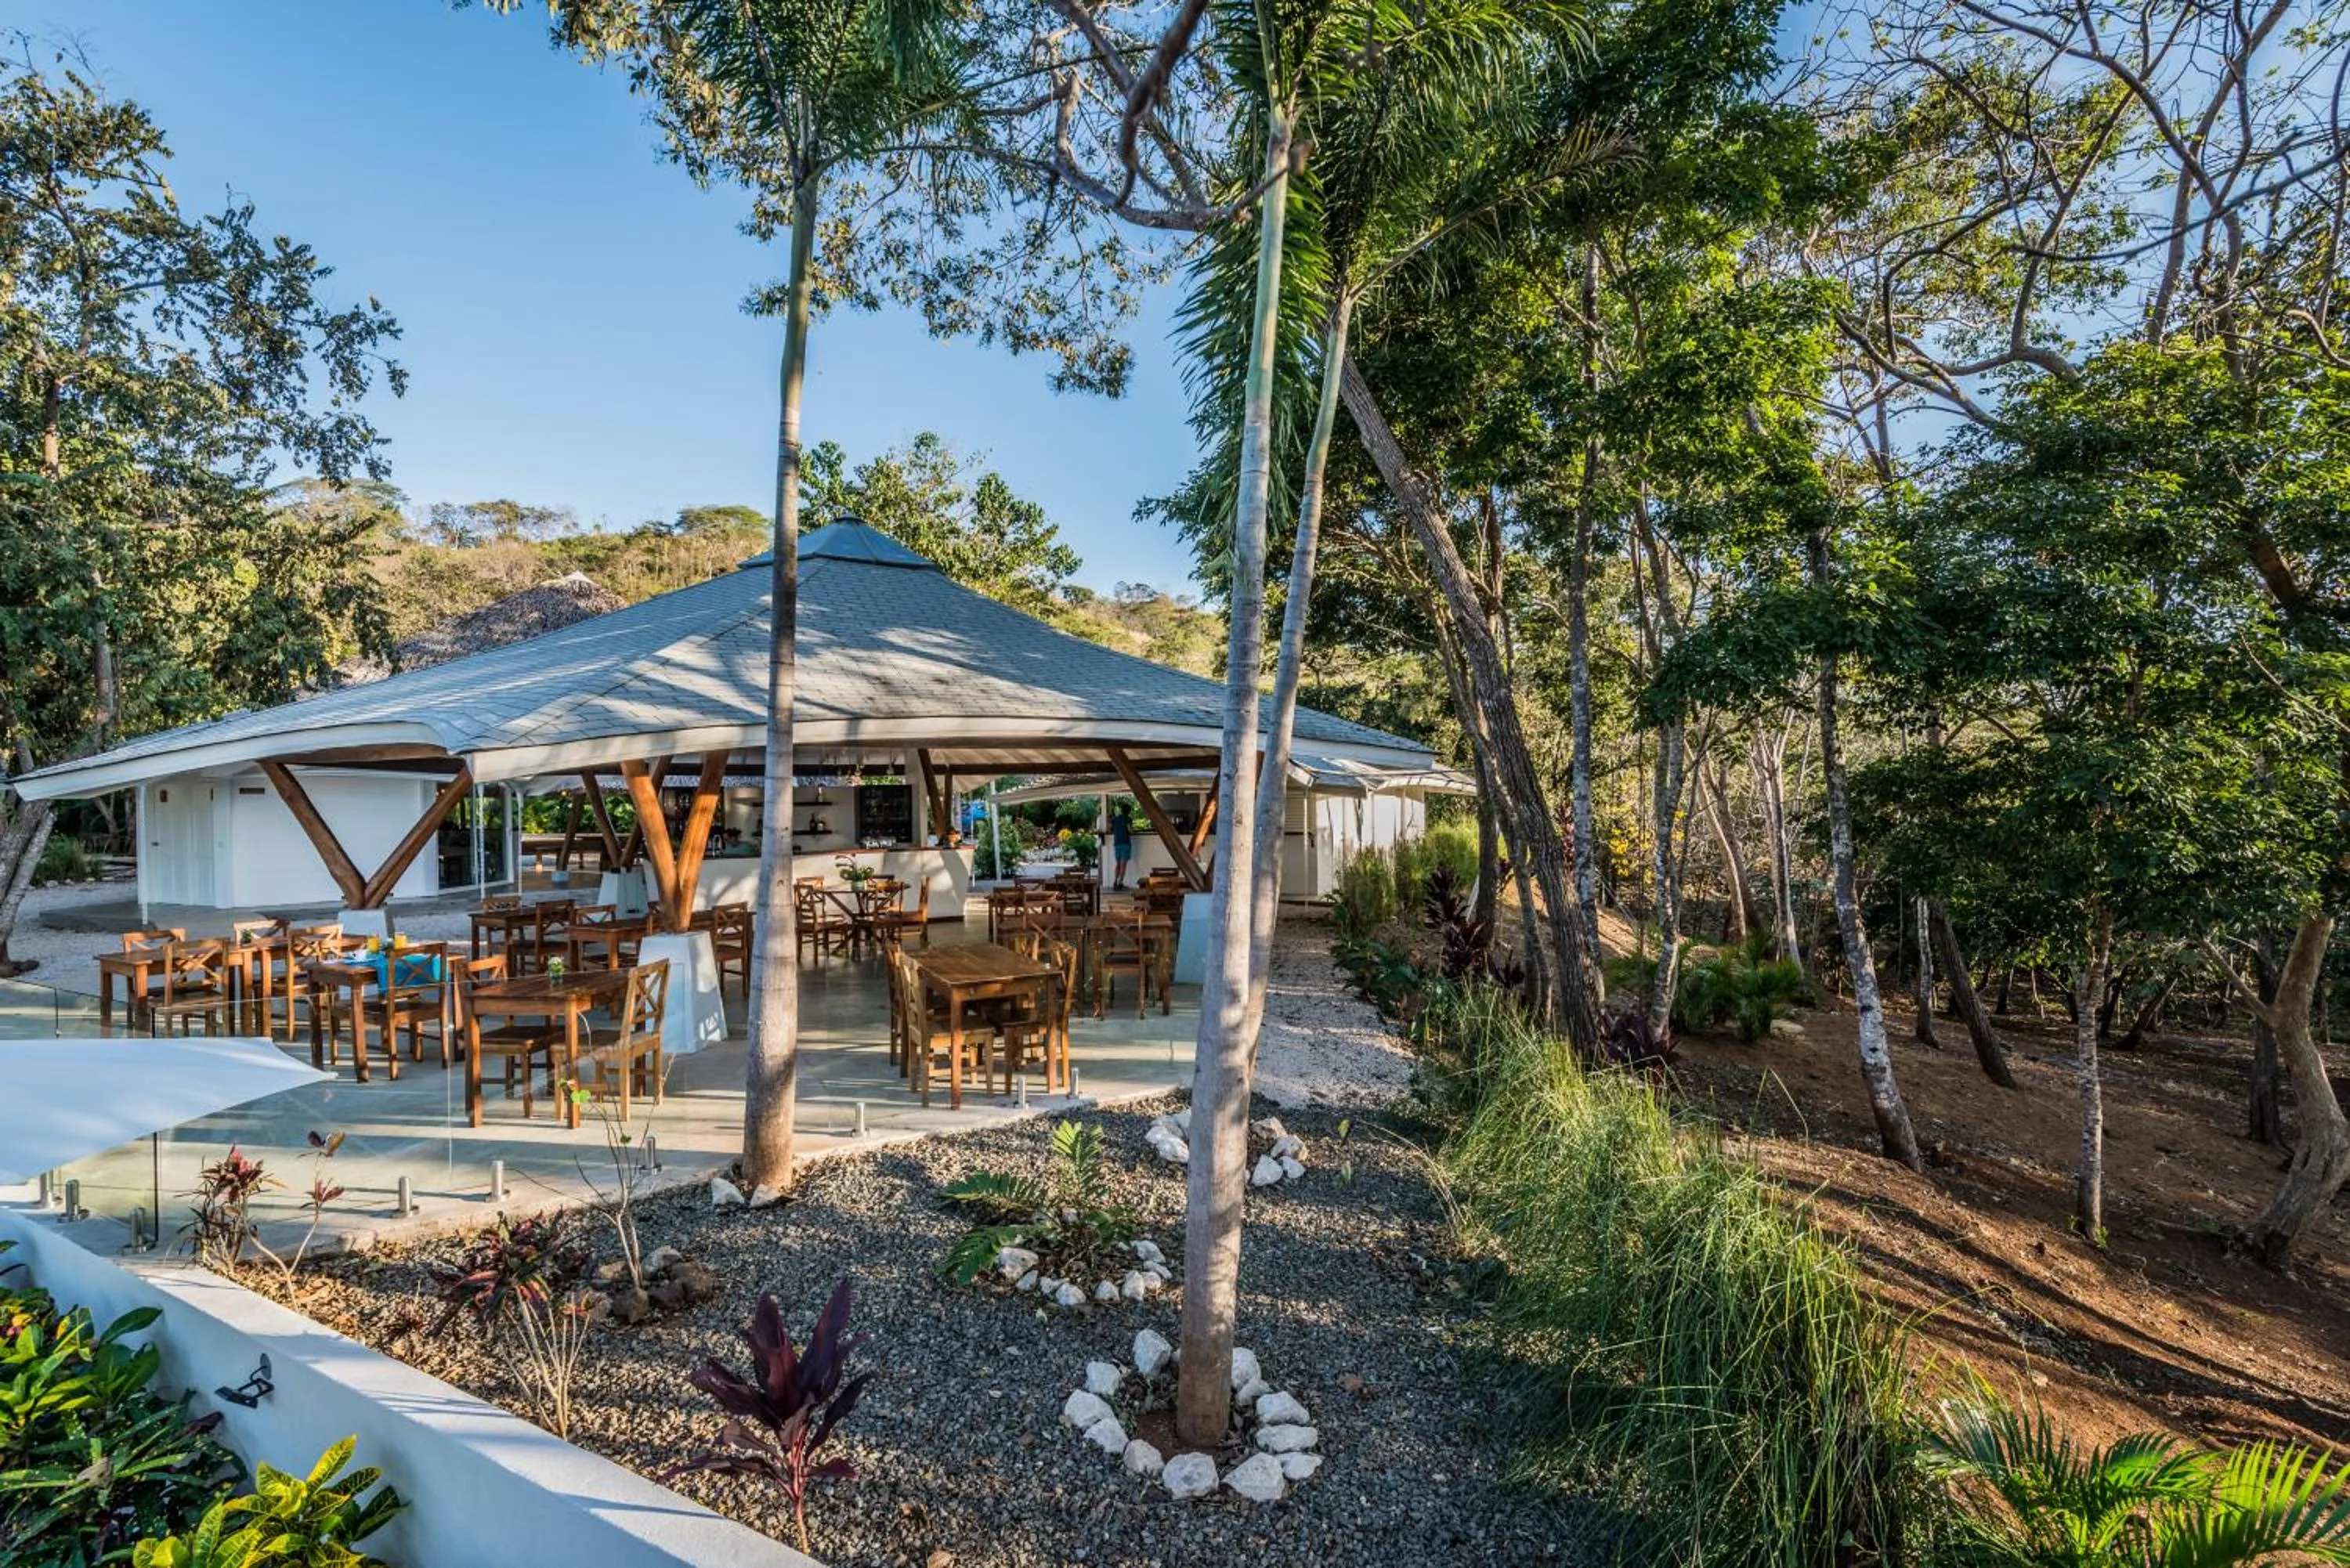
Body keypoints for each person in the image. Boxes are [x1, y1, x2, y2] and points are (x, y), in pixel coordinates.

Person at [1110, 802, 1134, 889]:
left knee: (1118, 864)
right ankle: (1120, 883)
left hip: (1117, 843)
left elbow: (1111, 828)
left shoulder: (1115, 819)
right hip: (1125, 843)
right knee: (1123, 865)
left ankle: (1115, 881)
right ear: (1129, 811)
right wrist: (1132, 830)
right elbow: (1130, 830)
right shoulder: (1128, 819)